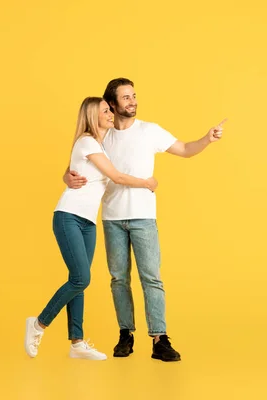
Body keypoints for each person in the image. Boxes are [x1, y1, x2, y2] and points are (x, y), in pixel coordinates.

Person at [64, 78, 226, 362]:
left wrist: (207, 139)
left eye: (134, 96)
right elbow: (78, 162)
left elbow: (186, 149)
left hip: (143, 218)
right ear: (111, 104)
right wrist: (66, 176)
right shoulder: (102, 135)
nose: (132, 101)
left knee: (151, 277)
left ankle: (159, 339)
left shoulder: (150, 131)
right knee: (118, 280)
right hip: (112, 217)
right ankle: (125, 334)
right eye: (125, 97)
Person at [24, 97, 159, 360]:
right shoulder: (87, 141)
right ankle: (38, 324)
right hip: (69, 216)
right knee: (80, 278)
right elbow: (118, 177)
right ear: (92, 116)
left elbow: (79, 170)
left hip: (87, 222)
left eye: (110, 110)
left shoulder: (100, 146)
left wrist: (67, 173)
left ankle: (77, 343)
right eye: (106, 111)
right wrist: (147, 182)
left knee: (79, 282)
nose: (111, 114)